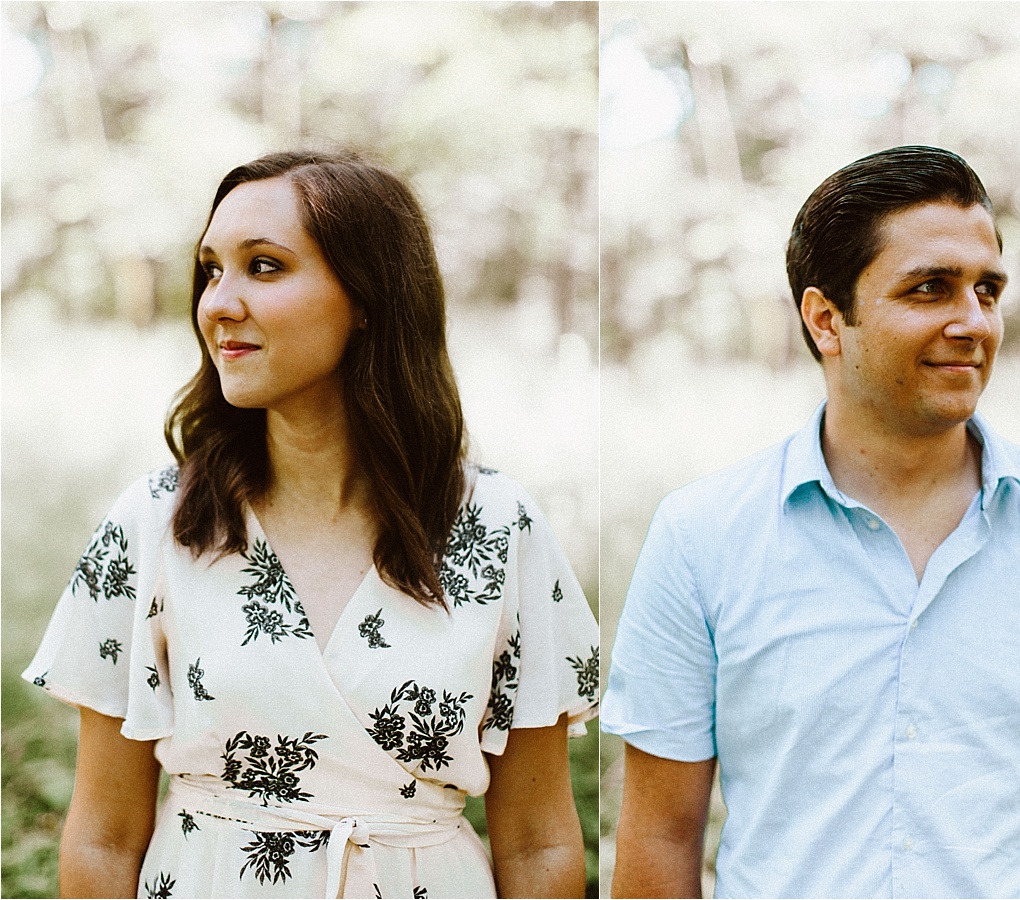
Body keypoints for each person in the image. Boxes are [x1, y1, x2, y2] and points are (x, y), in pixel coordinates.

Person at [600, 145, 1020, 899]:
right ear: (826, 319)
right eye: (931, 288)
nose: (974, 322)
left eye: (988, 290)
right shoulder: (700, 537)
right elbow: (662, 833)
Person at [24, 150, 600, 899]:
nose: (219, 302)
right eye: (211, 269)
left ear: (369, 297)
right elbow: (103, 838)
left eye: (263, 266)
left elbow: (539, 845)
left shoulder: (499, 529)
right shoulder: (156, 522)